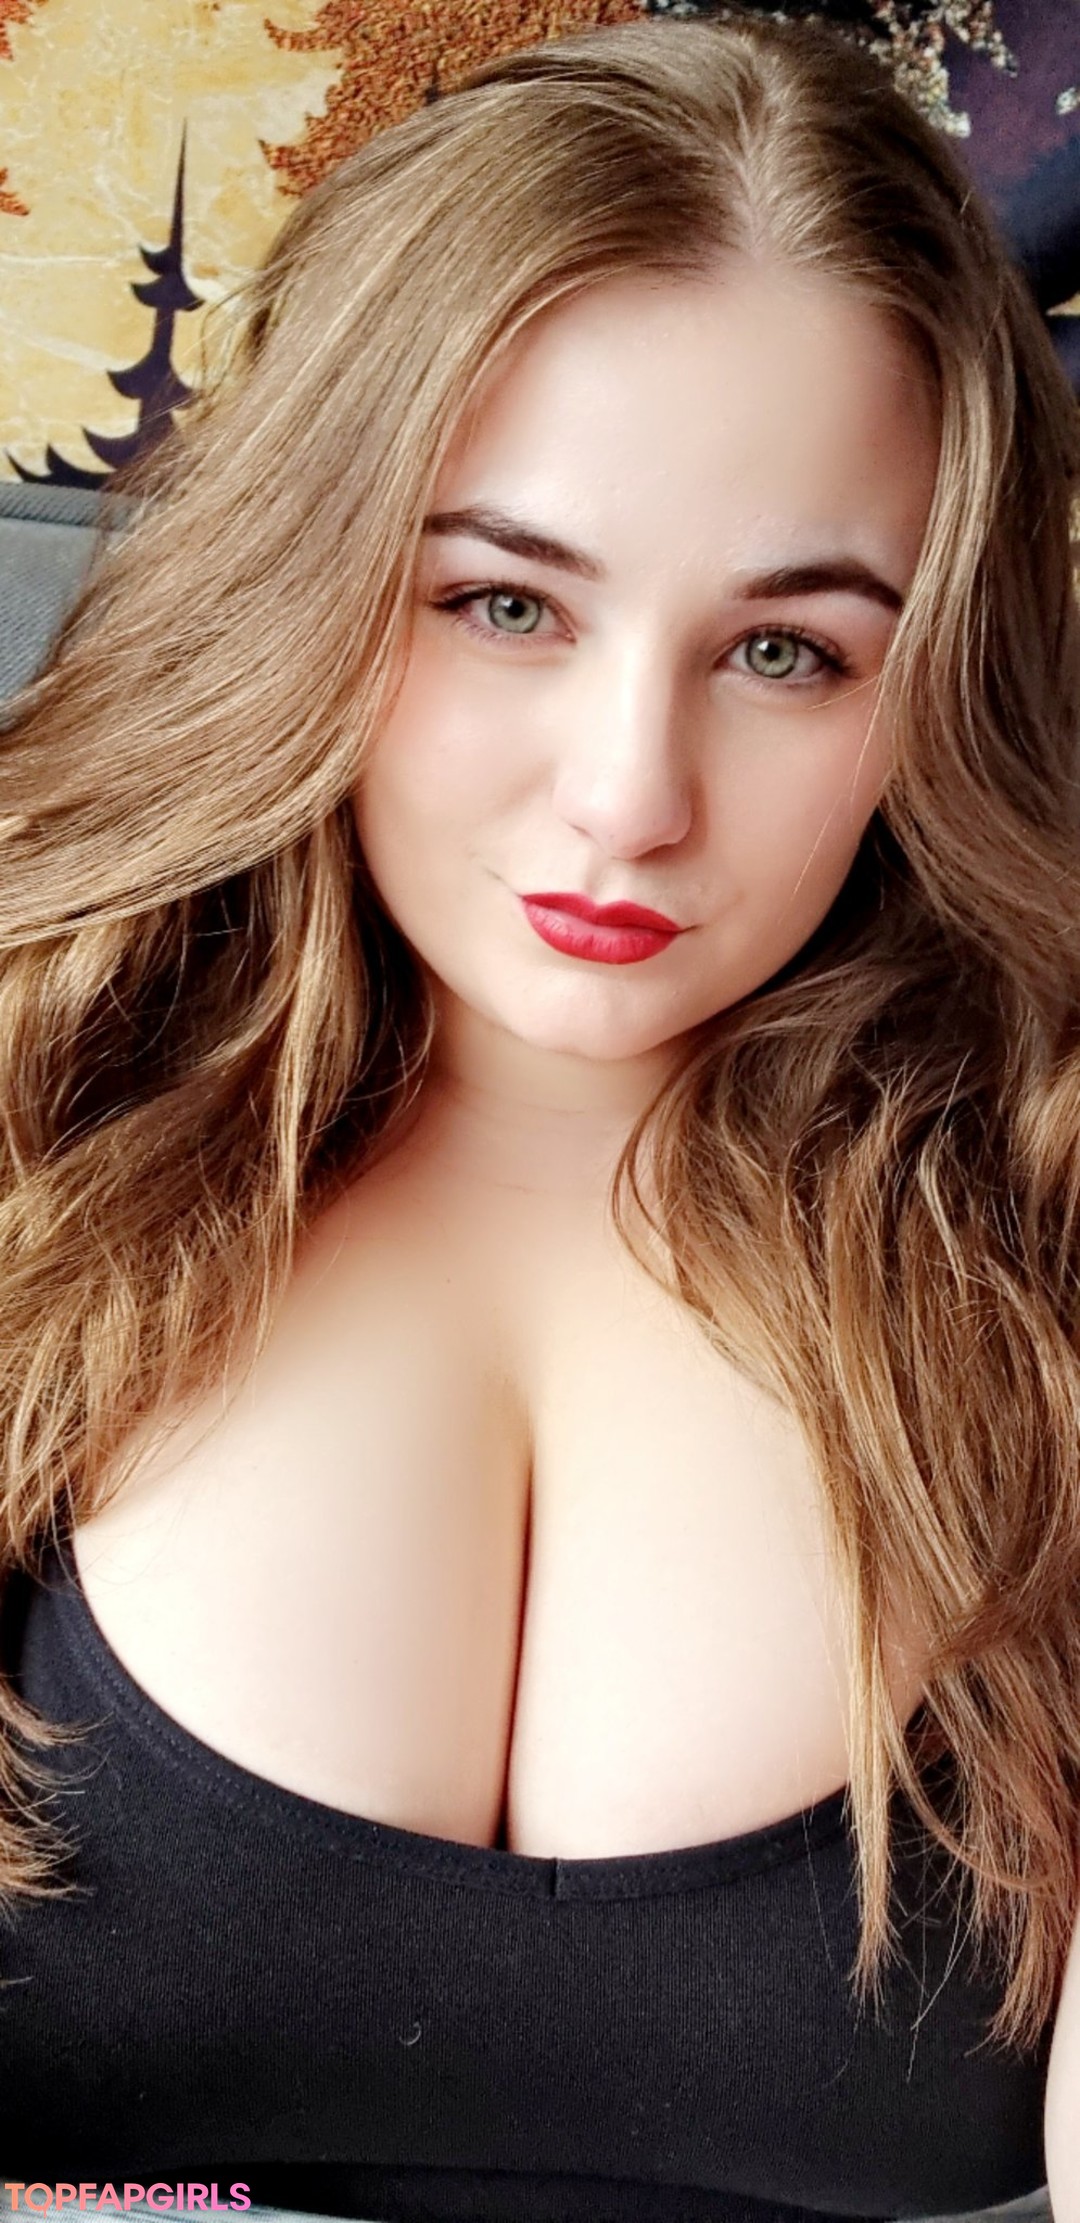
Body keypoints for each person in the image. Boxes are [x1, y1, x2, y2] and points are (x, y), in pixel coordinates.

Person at [0, 12, 1077, 2220]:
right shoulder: (33, 1132)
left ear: (938, 678)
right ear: (312, 572)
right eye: (506, 602)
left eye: (787, 650)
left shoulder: (1047, 1240)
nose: (627, 796)